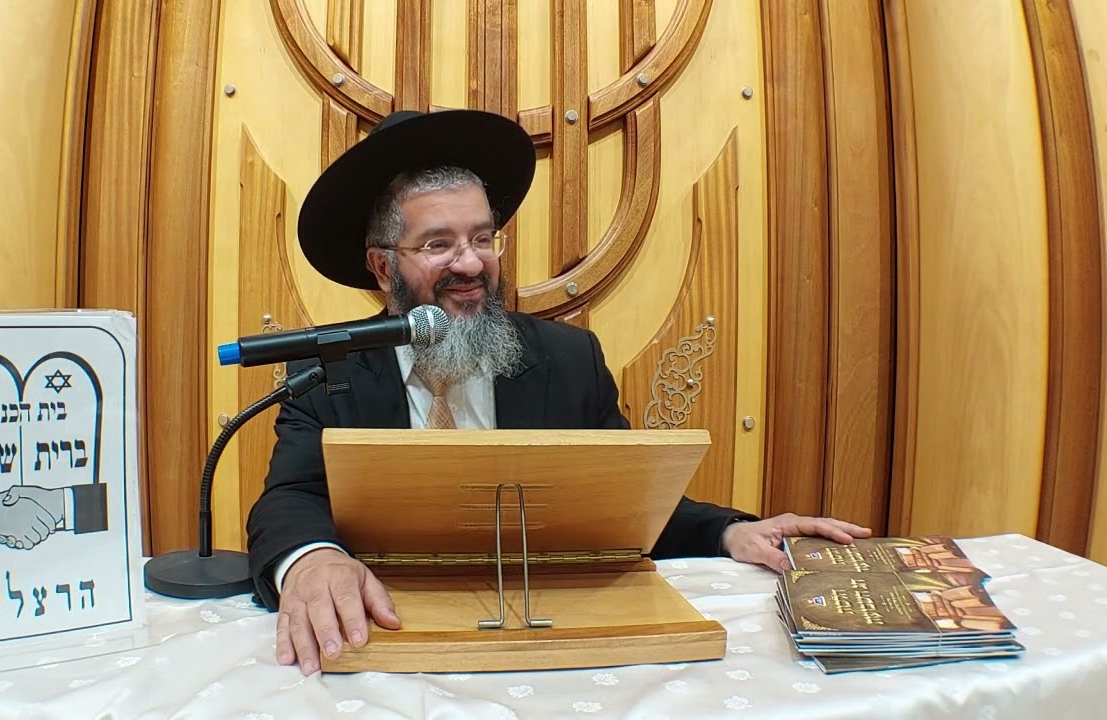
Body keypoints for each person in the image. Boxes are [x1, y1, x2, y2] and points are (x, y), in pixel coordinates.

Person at [245, 109, 871, 675]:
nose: (471, 264)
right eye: (438, 244)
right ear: (384, 268)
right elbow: (290, 499)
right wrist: (312, 559)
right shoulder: (330, 367)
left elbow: (619, 504)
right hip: (393, 641)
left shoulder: (569, 360)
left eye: (482, 238)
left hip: (552, 648)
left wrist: (729, 533)